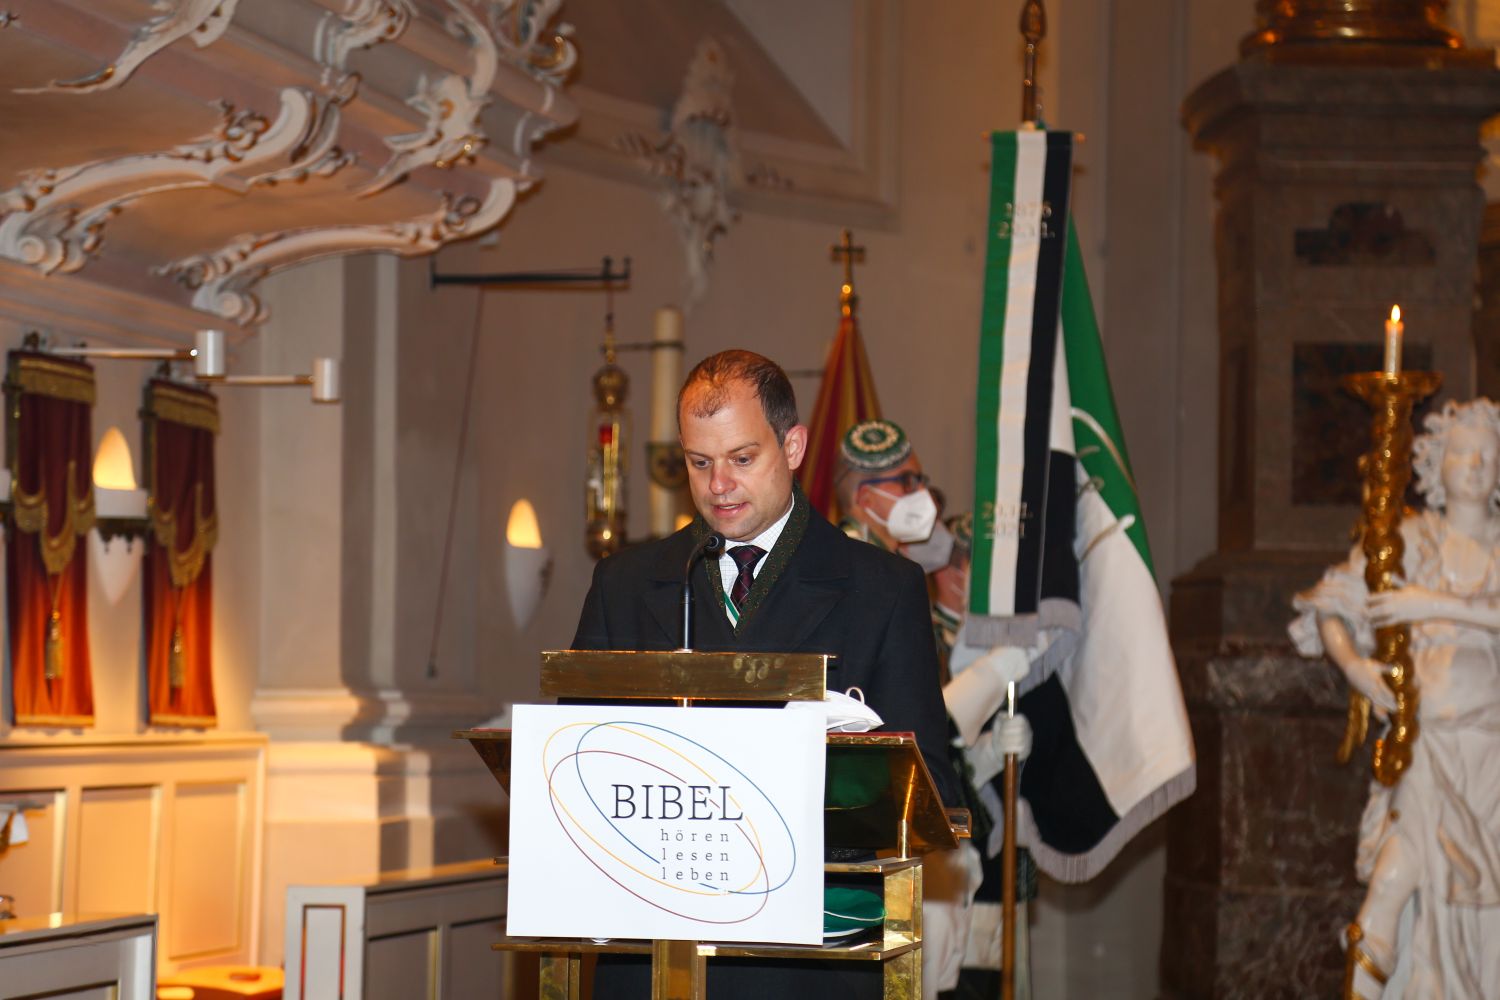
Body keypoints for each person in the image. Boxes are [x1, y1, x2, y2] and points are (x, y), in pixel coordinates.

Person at [573, 350, 959, 999]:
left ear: (794, 446)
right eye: (700, 463)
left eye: (742, 458)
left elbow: (933, 792)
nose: (719, 484)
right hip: (652, 955)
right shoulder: (626, 584)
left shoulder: (883, 589)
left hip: (809, 963)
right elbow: (573, 771)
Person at [1291, 398, 1500, 999]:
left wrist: (1427, 604)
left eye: (1488, 454)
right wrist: (1356, 668)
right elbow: (1329, 604)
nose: (1476, 464)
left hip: (1491, 759)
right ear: (1434, 463)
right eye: (1462, 451)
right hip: (1426, 749)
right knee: (1390, 884)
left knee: (1485, 911)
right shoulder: (1407, 541)